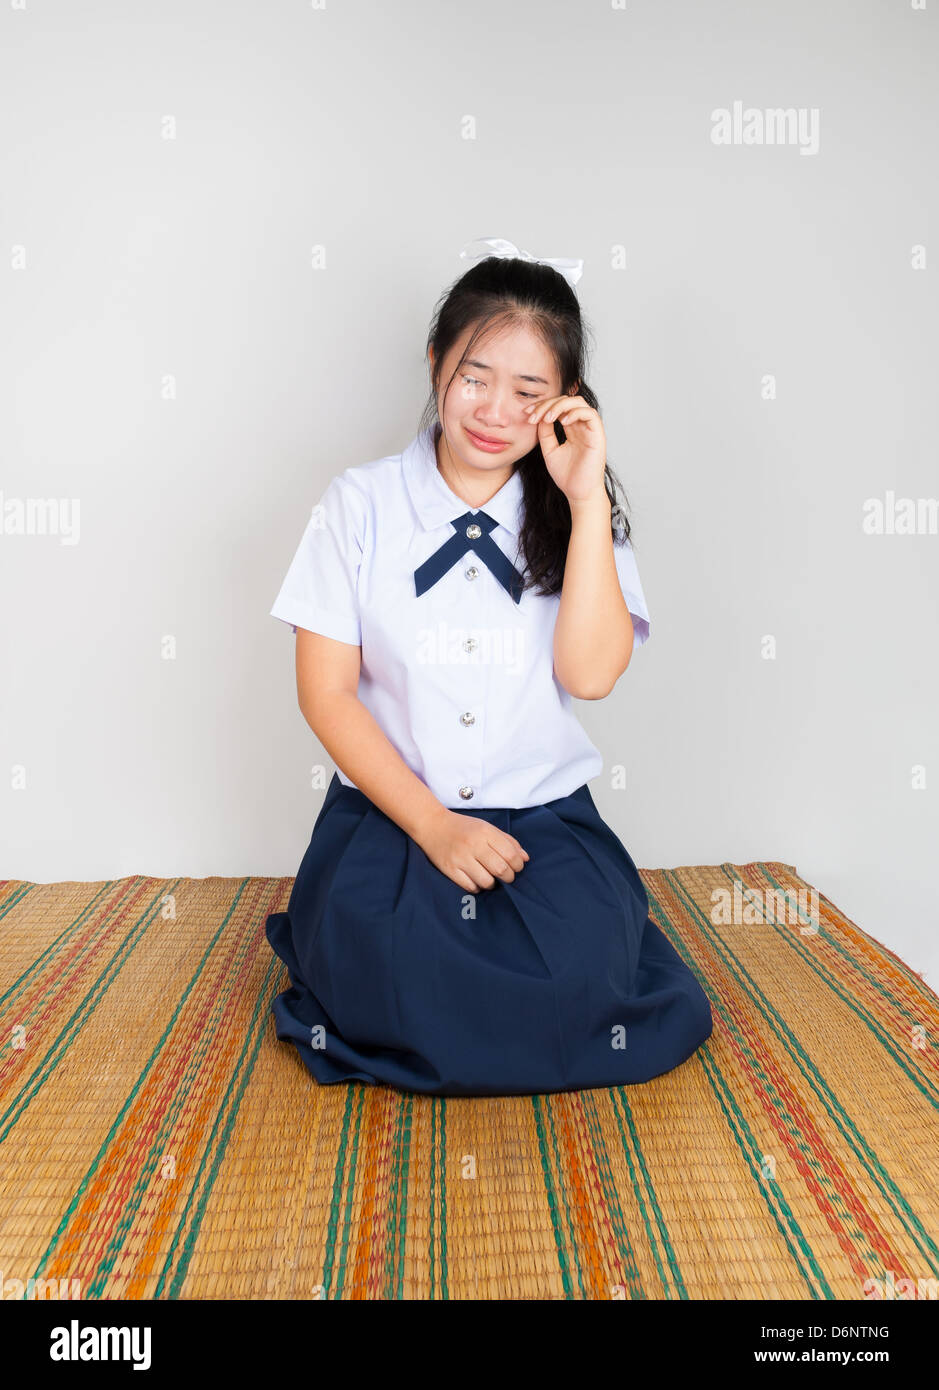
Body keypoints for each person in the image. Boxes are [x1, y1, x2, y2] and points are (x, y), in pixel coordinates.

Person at [264, 236, 712, 1096]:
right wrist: (435, 826)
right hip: (392, 820)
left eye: (528, 391)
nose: (493, 410)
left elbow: (589, 675)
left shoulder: (583, 514)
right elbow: (324, 694)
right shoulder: (357, 505)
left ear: (564, 405)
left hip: (543, 824)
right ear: (435, 361)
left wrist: (583, 499)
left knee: (580, 976)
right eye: (475, 376)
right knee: (395, 978)